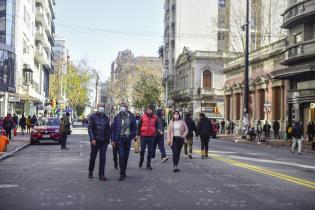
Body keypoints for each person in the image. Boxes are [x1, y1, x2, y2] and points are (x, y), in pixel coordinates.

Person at [111, 103, 137, 181]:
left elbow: (134, 128)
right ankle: (122, 173)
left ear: (126, 108)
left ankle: (124, 169)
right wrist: (113, 140)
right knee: (121, 155)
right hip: (119, 139)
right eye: (121, 107)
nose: (122, 108)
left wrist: (132, 135)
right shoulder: (117, 117)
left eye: (123, 107)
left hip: (127, 139)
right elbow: (113, 129)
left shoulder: (131, 116)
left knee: (126, 156)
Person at [88, 103, 110, 181]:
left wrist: (108, 139)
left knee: (103, 157)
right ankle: (90, 171)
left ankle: (101, 174)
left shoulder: (107, 118)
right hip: (95, 141)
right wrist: (92, 139)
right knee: (93, 157)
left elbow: (108, 129)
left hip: (104, 141)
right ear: (97, 108)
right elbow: (90, 129)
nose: (101, 108)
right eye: (100, 107)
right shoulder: (92, 117)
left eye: (103, 107)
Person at [137, 105, 158, 170]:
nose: (149, 110)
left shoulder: (155, 118)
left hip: (152, 137)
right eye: (148, 109)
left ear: (152, 111)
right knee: (142, 150)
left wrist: (156, 132)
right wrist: (137, 134)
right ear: (146, 110)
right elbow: (139, 126)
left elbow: (156, 126)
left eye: (150, 109)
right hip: (143, 136)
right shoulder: (142, 117)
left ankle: (148, 165)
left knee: (150, 151)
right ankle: (141, 160)